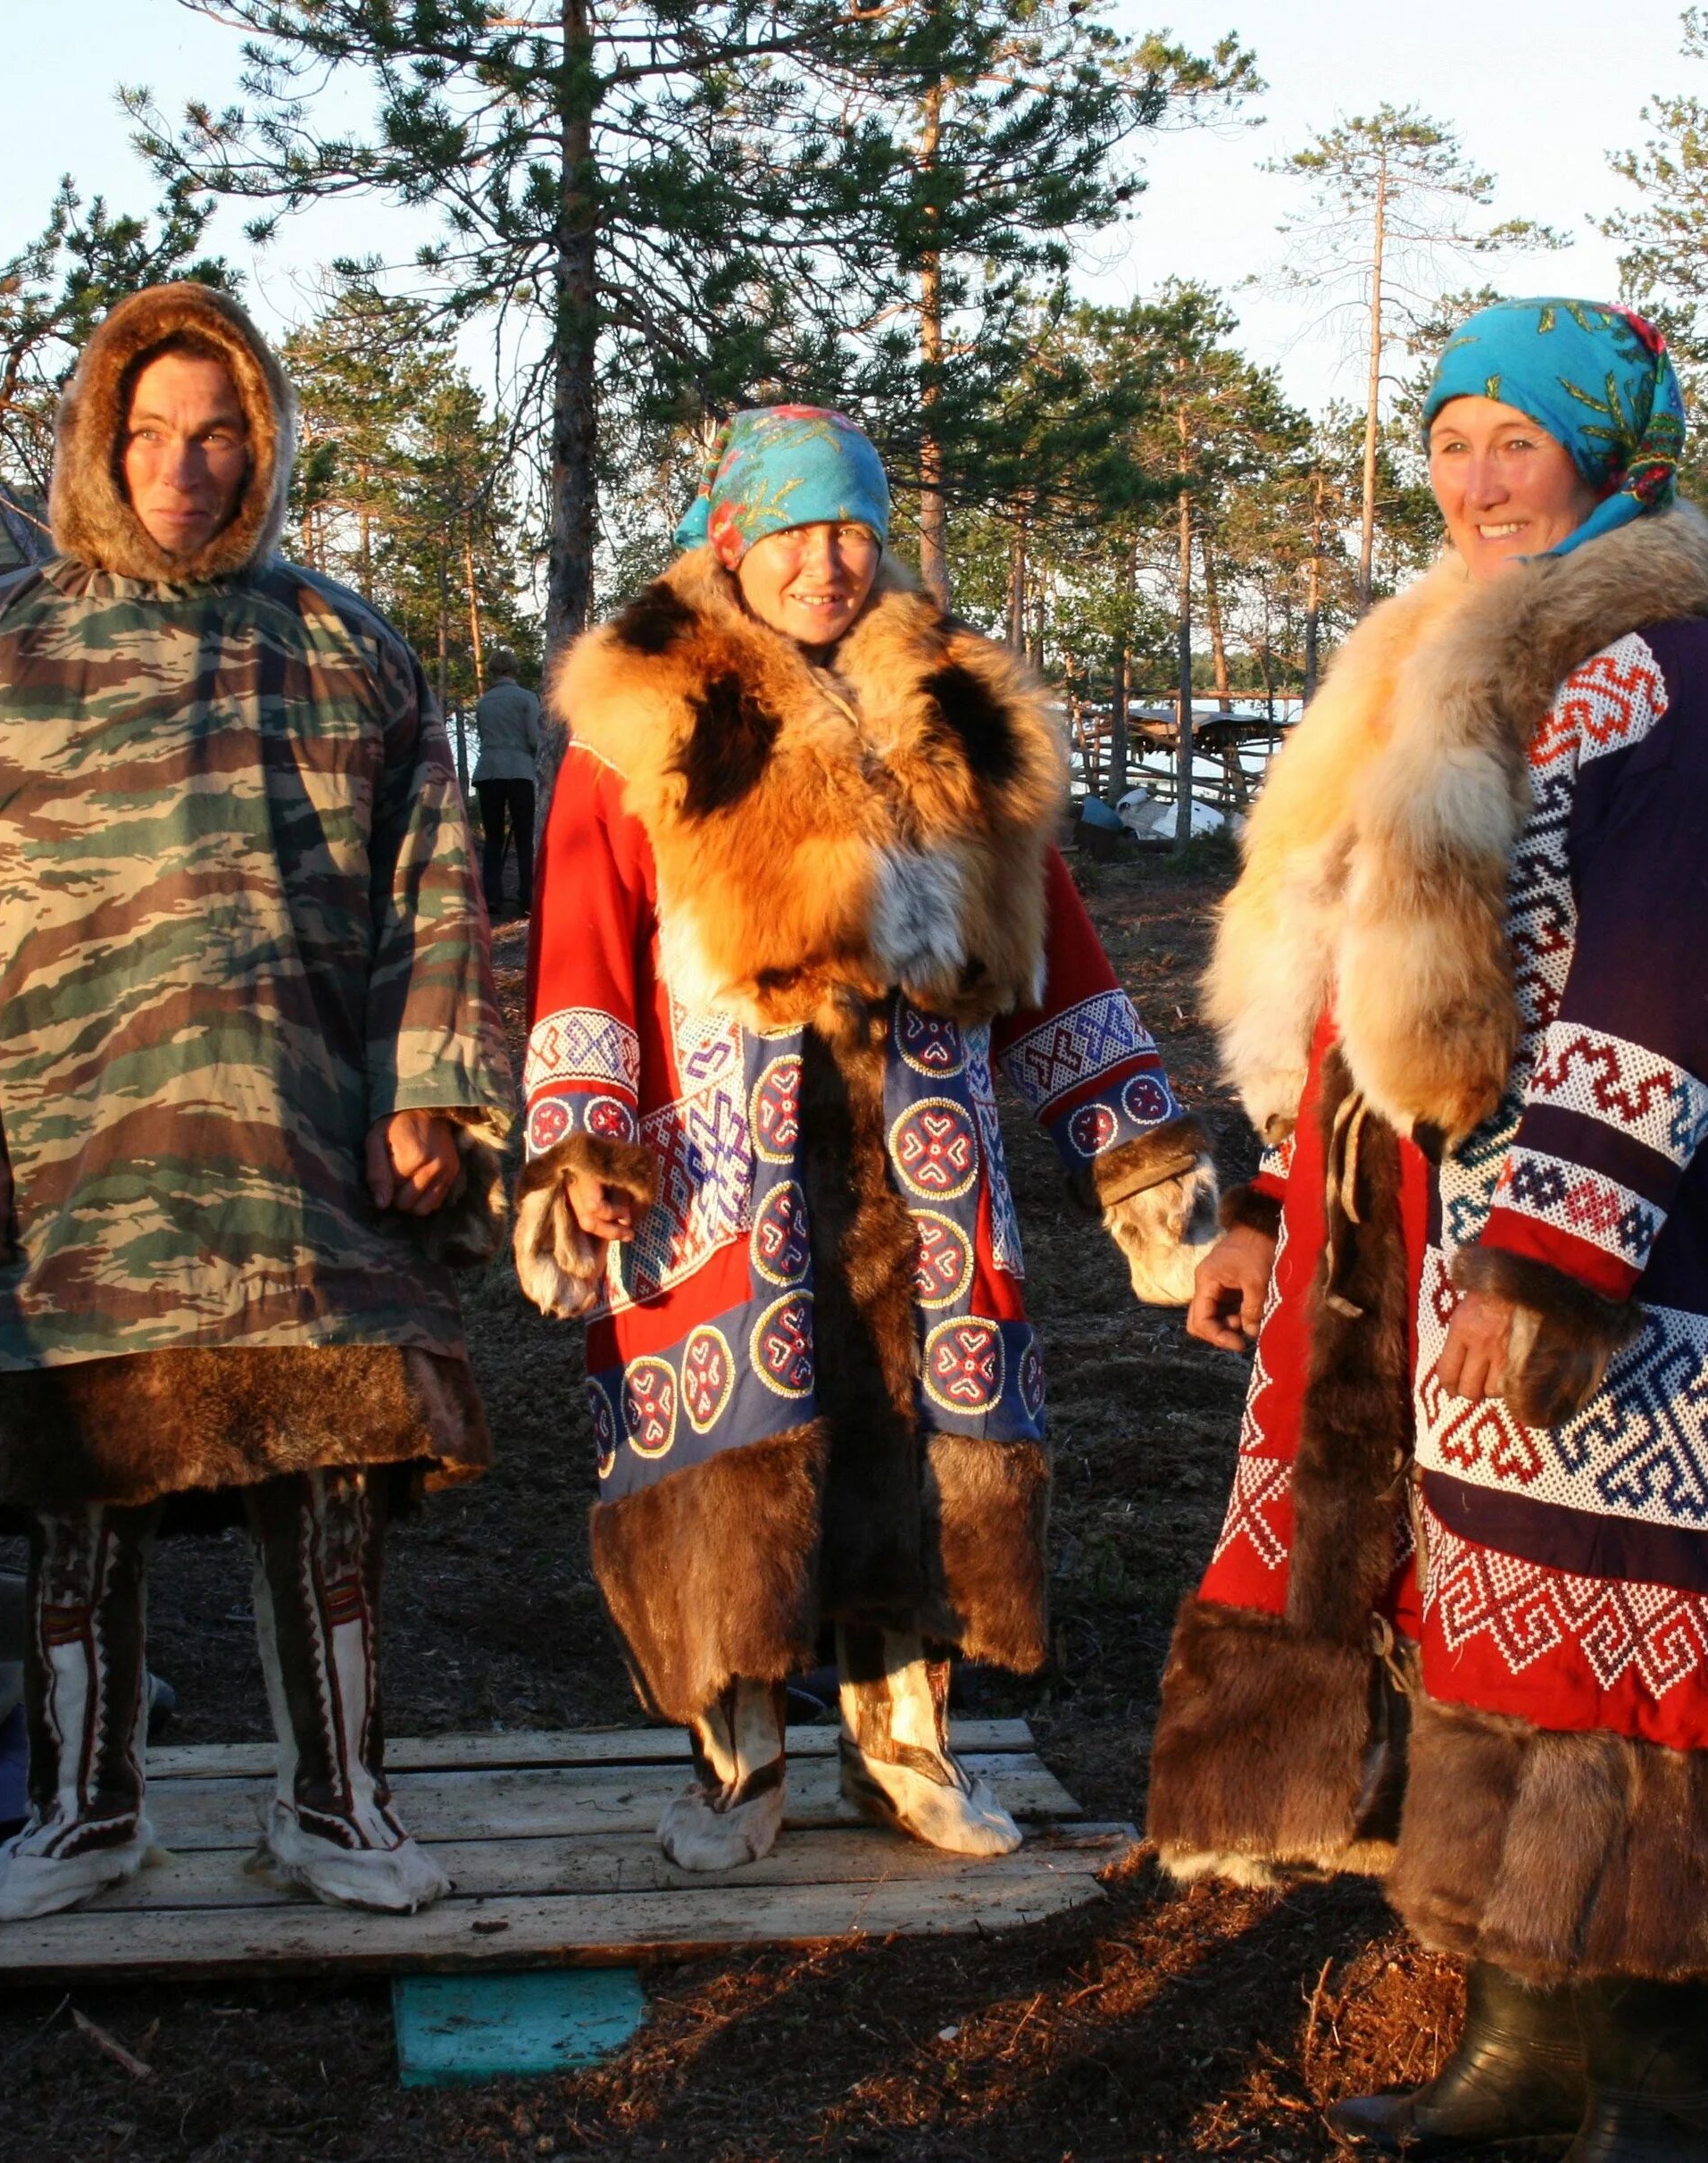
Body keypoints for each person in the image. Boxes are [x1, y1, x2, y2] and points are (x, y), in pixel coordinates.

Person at [1150, 302, 1708, 2163]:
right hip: (1450, 1265)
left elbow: (1685, 980)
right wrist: (1285, 1208)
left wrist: (1549, 1251)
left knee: (1643, 1662)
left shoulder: (1681, 691)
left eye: (1516, 446)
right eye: (1453, 440)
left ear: (1616, 463)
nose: (1475, 482)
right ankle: (1522, 2044)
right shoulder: (1439, 670)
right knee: (1506, 1641)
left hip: (1661, 1278)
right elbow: (1365, 1000)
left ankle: (1664, 2080)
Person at [0, 281, 515, 1925]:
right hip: (67, 1155)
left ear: (261, 443)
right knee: (80, 1479)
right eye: (148, 433)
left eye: (218, 434)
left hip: (301, 1154)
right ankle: (84, 1807)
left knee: (329, 1468)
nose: (184, 466)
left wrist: (425, 1089)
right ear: (97, 442)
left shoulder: (349, 648)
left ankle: (338, 1802)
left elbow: (433, 888)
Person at [516, 405, 1218, 1871]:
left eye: (851, 530)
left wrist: (1133, 1145)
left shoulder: (960, 713)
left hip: (926, 1155)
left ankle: (904, 1746)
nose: (826, 562)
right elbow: (584, 940)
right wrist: (580, 1135)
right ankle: (738, 1762)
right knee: (735, 1455)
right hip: (720, 1159)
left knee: (921, 1446)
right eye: (791, 532)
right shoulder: (648, 715)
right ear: (733, 541)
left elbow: (1050, 949)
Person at [471, 656, 546, 916]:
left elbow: (483, 736)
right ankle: (527, 897)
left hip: (488, 771)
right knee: (525, 838)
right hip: (519, 771)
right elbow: (535, 738)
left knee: (493, 838)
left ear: (492, 672)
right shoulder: (526, 698)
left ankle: (491, 897)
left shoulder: (484, 702)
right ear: (516, 669)